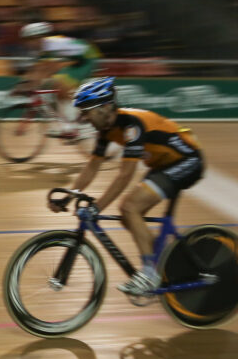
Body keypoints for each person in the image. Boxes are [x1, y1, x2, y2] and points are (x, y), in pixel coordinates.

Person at [49, 77, 204, 296]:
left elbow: (124, 175)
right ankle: (161, 264)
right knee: (127, 213)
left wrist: (97, 208)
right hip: (164, 164)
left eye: (87, 110)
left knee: (130, 207)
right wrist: (71, 195)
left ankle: (150, 274)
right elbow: (93, 165)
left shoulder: (132, 125)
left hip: (187, 160)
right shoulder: (106, 130)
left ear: (104, 107)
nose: (83, 117)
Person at [13, 21, 101, 139]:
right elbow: (36, 70)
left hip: (86, 58)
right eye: (26, 41)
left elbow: (48, 69)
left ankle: (83, 125)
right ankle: (69, 125)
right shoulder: (42, 49)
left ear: (38, 38)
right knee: (57, 91)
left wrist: (31, 84)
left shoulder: (52, 44)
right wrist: (21, 85)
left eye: (29, 40)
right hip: (74, 60)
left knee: (60, 85)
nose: (27, 44)